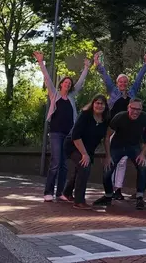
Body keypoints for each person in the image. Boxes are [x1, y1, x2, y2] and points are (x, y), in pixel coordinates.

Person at [34, 51, 90, 202]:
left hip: (69, 134)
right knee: (56, 162)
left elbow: (80, 82)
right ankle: (48, 192)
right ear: (61, 84)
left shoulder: (71, 97)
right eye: (65, 82)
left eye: (69, 83)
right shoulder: (54, 94)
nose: (68, 84)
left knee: (65, 165)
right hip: (56, 133)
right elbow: (47, 78)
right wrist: (41, 62)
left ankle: (60, 193)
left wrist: (86, 67)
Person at [94, 51, 146, 200]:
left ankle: (118, 188)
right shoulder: (112, 92)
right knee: (113, 159)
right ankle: (110, 188)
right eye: (121, 82)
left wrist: (145, 64)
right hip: (113, 130)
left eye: (125, 81)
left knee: (123, 162)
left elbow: (139, 79)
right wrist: (98, 64)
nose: (123, 84)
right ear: (117, 84)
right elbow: (105, 78)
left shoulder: (132, 92)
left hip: (129, 131)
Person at [93, 98, 146, 210]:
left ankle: (140, 197)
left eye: (138, 109)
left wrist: (143, 152)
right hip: (117, 146)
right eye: (133, 108)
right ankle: (108, 196)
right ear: (128, 108)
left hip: (134, 147)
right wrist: (108, 155)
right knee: (107, 170)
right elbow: (107, 136)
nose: (135, 112)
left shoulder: (145, 118)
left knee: (143, 167)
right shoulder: (119, 117)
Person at [62, 94, 111, 209]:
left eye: (102, 103)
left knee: (80, 168)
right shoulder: (85, 115)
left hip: (89, 149)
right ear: (93, 104)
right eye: (97, 103)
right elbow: (75, 136)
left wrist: (108, 156)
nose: (99, 105)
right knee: (85, 167)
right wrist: (84, 154)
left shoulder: (106, 119)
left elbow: (106, 139)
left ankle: (67, 192)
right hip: (73, 145)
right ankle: (79, 201)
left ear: (105, 106)